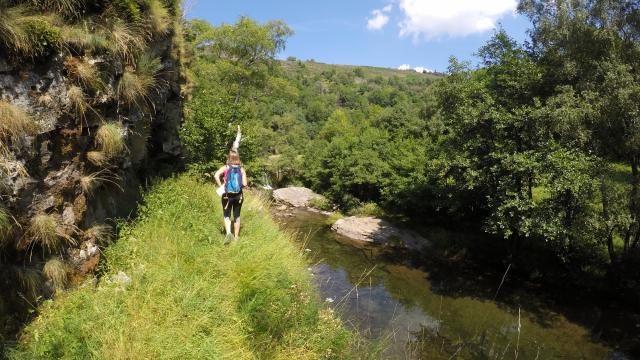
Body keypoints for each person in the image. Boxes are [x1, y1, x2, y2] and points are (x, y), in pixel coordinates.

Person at [214, 150, 248, 244]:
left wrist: (221, 185)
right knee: (237, 216)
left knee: (227, 215)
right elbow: (245, 183)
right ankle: (236, 237)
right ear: (238, 158)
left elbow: (216, 175)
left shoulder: (225, 167)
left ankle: (229, 234)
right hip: (238, 196)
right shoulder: (241, 169)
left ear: (229, 158)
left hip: (227, 196)